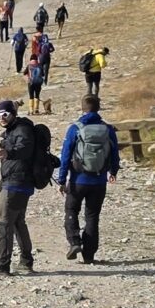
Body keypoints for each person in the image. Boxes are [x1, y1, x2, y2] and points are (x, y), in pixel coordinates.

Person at [0, 97, 50, 274]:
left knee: (5, 223)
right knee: (17, 223)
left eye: (5, 114)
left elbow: (25, 149)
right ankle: (26, 261)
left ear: (13, 114)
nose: (2, 118)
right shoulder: (14, 129)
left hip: (16, 183)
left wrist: (9, 152)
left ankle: (2, 265)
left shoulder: (22, 129)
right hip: (17, 182)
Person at [58, 98, 120, 263]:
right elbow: (115, 153)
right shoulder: (107, 129)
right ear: (99, 108)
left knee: (71, 211)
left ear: (82, 108)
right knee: (92, 216)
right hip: (99, 181)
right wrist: (113, 171)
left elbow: (65, 156)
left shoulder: (75, 129)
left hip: (78, 180)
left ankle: (74, 241)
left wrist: (62, 179)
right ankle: (89, 255)